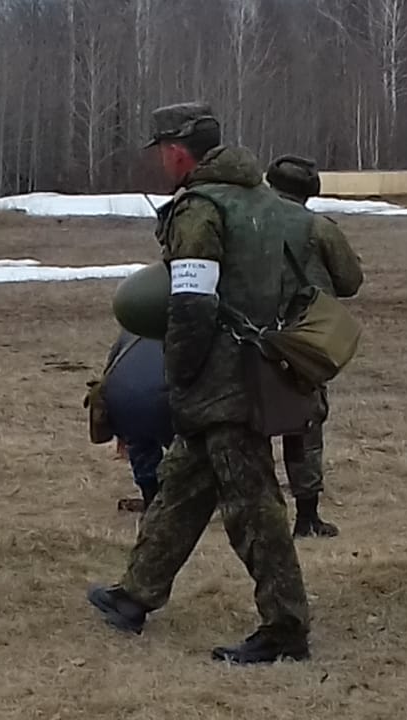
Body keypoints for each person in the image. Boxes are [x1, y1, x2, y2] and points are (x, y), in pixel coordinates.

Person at [87, 102, 312, 665]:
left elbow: (191, 302)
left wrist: (179, 372)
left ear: (176, 152)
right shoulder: (264, 201)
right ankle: (135, 595)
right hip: (255, 366)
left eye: (162, 153)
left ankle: (285, 627)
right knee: (182, 487)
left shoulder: (200, 209)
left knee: (253, 508)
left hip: (219, 380)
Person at [265, 154, 364, 538]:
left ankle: (259, 513)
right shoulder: (319, 228)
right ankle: (306, 517)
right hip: (302, 338)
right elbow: (350, 281)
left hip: (246, 332)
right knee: (304, 423)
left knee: (248, 425)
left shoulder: (243, 221)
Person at [100, 329, 173, 512]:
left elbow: (109, 370)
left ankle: (151, 497)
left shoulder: (134, 328)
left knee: (140, 443)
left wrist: (120, 431)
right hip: (164, 400)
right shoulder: (195, 325)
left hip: (121, 398)